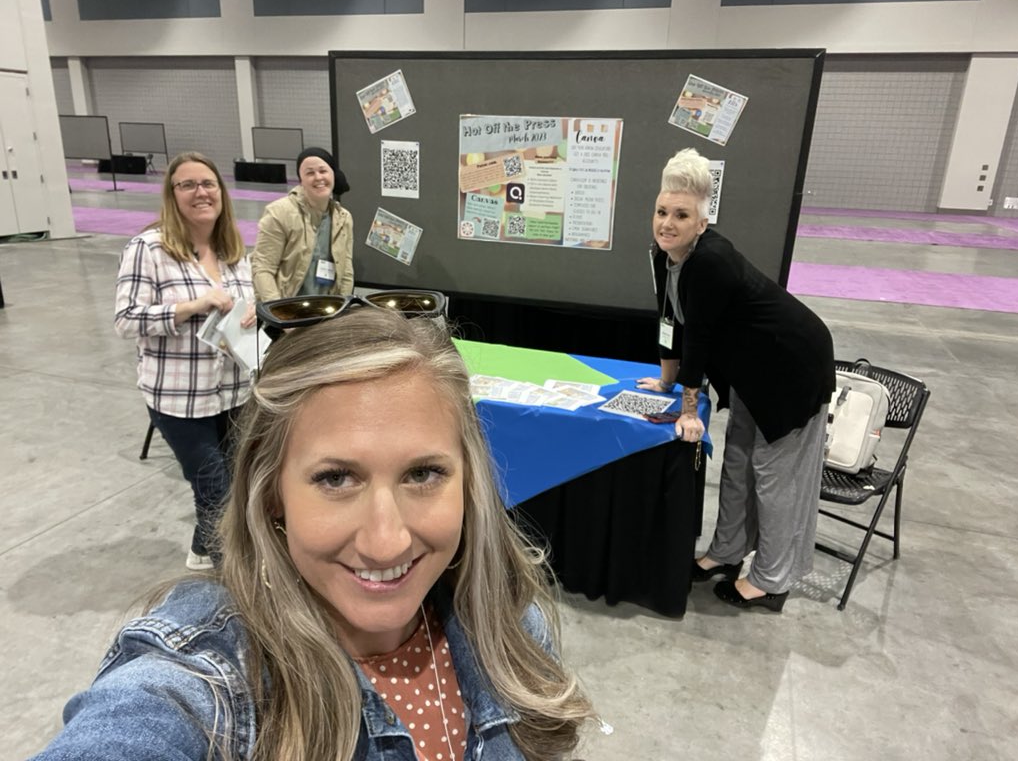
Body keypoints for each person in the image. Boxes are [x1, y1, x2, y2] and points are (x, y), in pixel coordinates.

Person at [33, 305, 596, 760]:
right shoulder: (209, 685)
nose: (387, 541)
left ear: (468, 480)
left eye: (423, 474)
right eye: (335, 478)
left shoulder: (508, 627)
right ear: (271, 492)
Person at [637, 148, 835, 613]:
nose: (667, 223)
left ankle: (770, 579)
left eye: (681, 215)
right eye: (662, 211)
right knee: (738, 461)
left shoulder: (710, 262)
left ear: (702, 222)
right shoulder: (664, 254)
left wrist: (689, 413)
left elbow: (699, 342)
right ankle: (726, 552)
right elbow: (671, 322)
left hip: (790, 369)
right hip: (751, 371)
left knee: (773, 476)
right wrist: (667, 384)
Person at [114, 151, 256, 571]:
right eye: (188, 185)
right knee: (216, 489)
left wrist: (253, 309)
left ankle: (201, 550)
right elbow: (126, 319)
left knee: (229, 485)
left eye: (208, 184)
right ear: (171, 194)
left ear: (221, 193)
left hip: (234, 391)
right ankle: (229, 573)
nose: (201, 192)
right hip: (179, 399)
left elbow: (243, 302)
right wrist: (192, 305)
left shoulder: (232, 248)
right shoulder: (149, 248)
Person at [251, 146, 355, 301]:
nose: (318, 177)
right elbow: (263, 269)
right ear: (301, 180)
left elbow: (346, 270)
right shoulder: (279, 213)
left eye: (323, 171)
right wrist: (279, 313)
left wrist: (343, 308)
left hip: (327, 311)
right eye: (310, 173)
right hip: (286, 312)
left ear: (333, 174)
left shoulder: (343, 218)